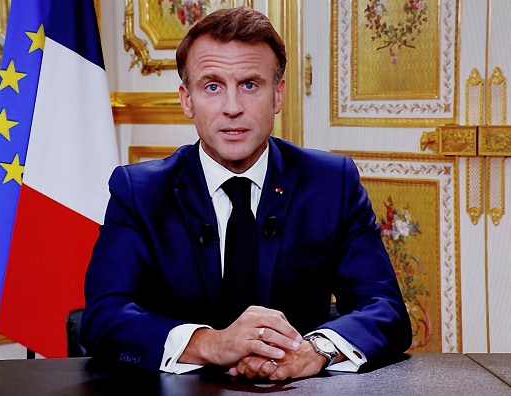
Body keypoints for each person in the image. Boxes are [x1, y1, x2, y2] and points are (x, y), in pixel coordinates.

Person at [80, 7, 411, 380]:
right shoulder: (139, 191)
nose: (233, 108)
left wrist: (314, 351)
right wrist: (210, 343)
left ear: (278, 94)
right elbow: (103, 318)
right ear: (187, 100)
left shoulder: (332, 183)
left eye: (250, 85)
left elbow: (386, 309)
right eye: (212, 86)